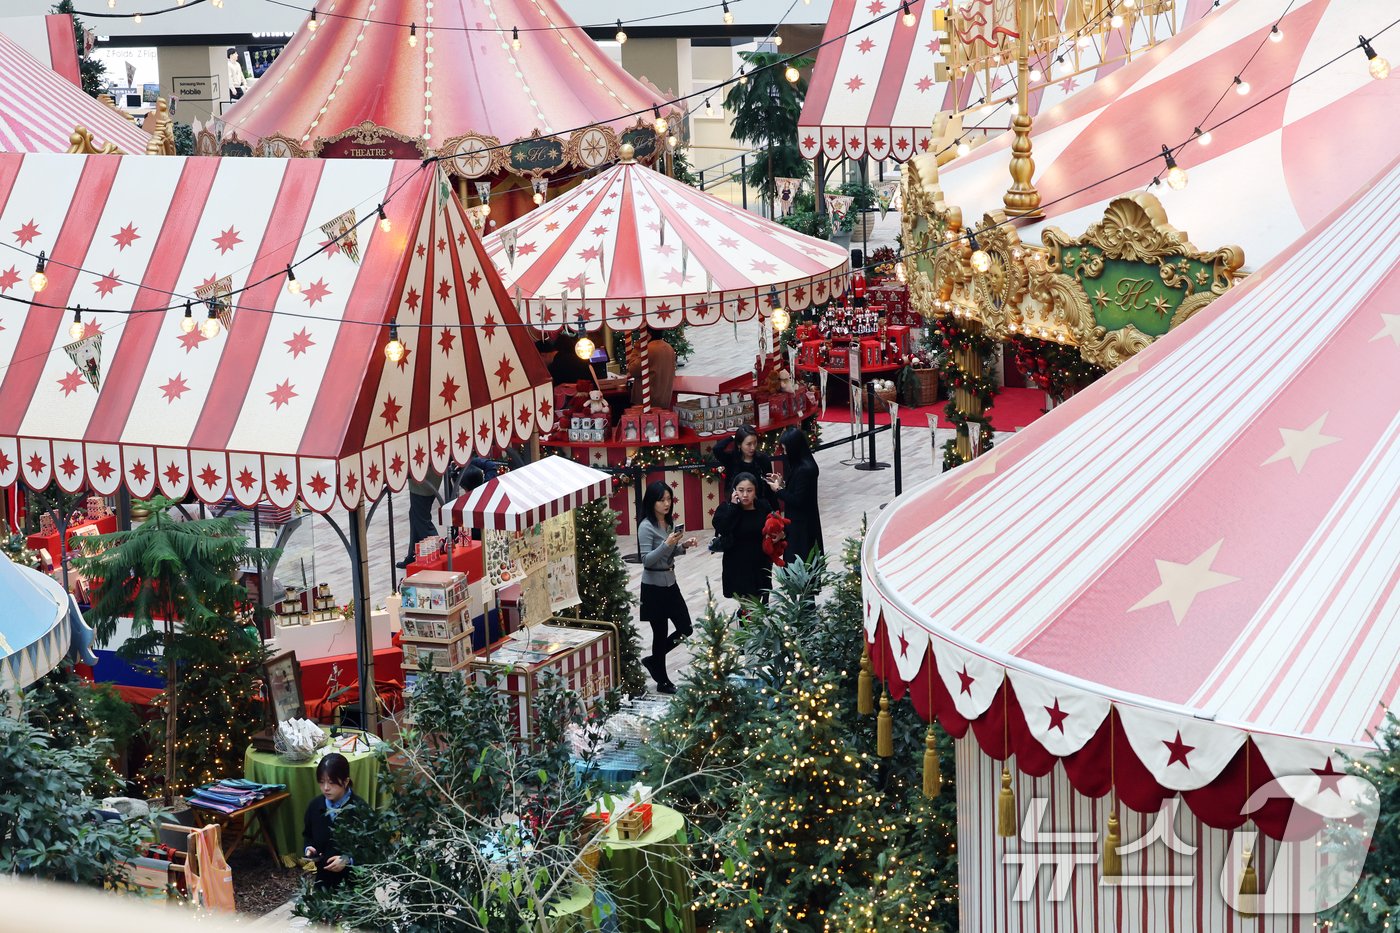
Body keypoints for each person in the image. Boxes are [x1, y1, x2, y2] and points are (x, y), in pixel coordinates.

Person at [637, 480, 698, 693]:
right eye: (661, 500)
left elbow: (668, 555)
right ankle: (662, 680)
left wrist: (682, 546)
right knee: (659, 632)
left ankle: (654, 661)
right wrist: (667, 544)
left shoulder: (668, 524)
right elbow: (647, 560)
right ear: (652, 502)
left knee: (685, 628)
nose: (666, 504)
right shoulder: (645, 526)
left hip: (671, 583)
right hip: (653, 587)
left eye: (669, 499)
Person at [710, 473, 774, 603]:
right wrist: (734, 507)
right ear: (734, 491)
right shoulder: (725, 508)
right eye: (741, 490)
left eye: (749, 491)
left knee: (756, 605)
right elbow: (723, 528)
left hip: (760, 564)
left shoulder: (763, 506)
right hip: (738, 566)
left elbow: (774, 527)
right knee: (750, 607)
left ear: (755, 491)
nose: (745, 495)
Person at [303, 753, 361, 889]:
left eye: (331, 782)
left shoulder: (359, 809)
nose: (326, 788)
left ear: (346, 781)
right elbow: (308, 835)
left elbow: (371, 849)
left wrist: (347, 860)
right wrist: (309, 848)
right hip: (324, 881)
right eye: (322, 782)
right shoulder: (315, 806)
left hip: (355, 886)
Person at [767, 426, 823, 565]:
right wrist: (782, 484)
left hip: (802, 527)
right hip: (799, 523)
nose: (785, 453)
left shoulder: (805, 469)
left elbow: (798, 500)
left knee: (800, 563)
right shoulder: (802, 465)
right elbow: (799, 491)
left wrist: (778, 489)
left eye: (786, 449)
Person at [712, 425, 778, 508]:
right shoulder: (731, 459)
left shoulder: (763, 459)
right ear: (739, 445)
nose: (753, 447)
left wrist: (775, 509)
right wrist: (732, 437)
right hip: (737, 507)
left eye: (755, 442)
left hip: (759, 508)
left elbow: (769, 488)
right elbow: (717, 449)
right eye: (749, 444)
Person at [401, 466, 441, 568]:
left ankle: (439, 549)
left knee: (421, 520)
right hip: (428, 479)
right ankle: (412, 555)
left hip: (422, 481)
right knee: (415, 517)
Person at [627, 329, 677, 409]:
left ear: (647, 334)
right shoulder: (669, 348)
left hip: (647, 401)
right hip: (664, 398)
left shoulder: (649, 349)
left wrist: (637, 347)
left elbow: (633, 370)